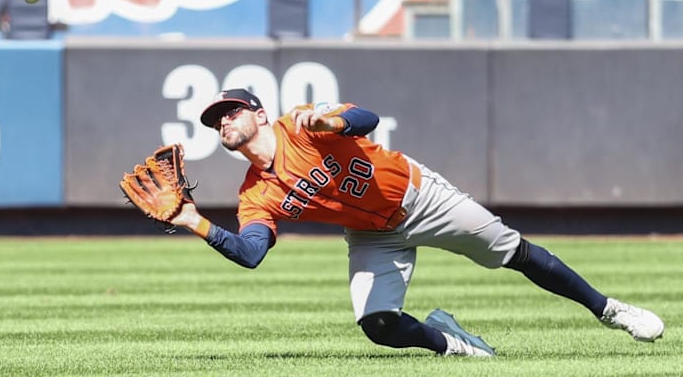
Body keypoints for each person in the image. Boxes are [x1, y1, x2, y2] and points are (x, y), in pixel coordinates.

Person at [170, 88, 664, 356]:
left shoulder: (301, 122)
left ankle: (609, 309)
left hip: (419, 195)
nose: (223, 123)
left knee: (512, 252)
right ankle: (451, 342)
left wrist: (332, 124)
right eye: (216, 122)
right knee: (377, 324)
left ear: (257, 112)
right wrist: (193, 221)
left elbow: (367, 118)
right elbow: (252, 252)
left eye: (230, 112)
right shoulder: (255, 194)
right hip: (371, 235)